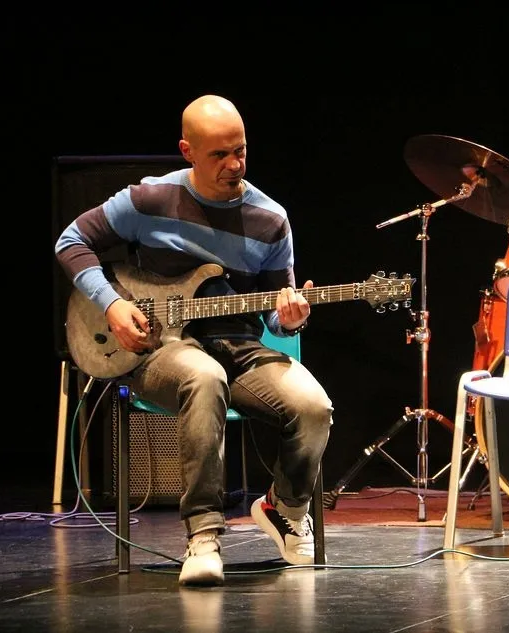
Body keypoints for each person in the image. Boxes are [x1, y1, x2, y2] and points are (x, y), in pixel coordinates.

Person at [54, 94, 333, 586]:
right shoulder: (149, 199)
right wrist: (112, 304)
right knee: (204, 378)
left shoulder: (271, 219)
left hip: (240, 348)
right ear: (188, 152)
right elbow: (71, 241)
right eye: (219, 155)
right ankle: (203, 535)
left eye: (240, 151)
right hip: (162, 348)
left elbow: (276, 315)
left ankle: (285, 509)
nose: (234, 165)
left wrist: (291, 319)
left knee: (313, 407)